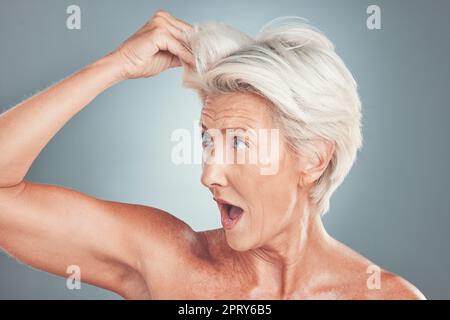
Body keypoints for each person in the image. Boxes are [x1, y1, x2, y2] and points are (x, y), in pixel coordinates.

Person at [0, 9, 425, 299]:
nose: (208, 174)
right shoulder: (170, 260)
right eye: (207, 141)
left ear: (313, 157)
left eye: (239, 143)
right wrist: (116, 65)